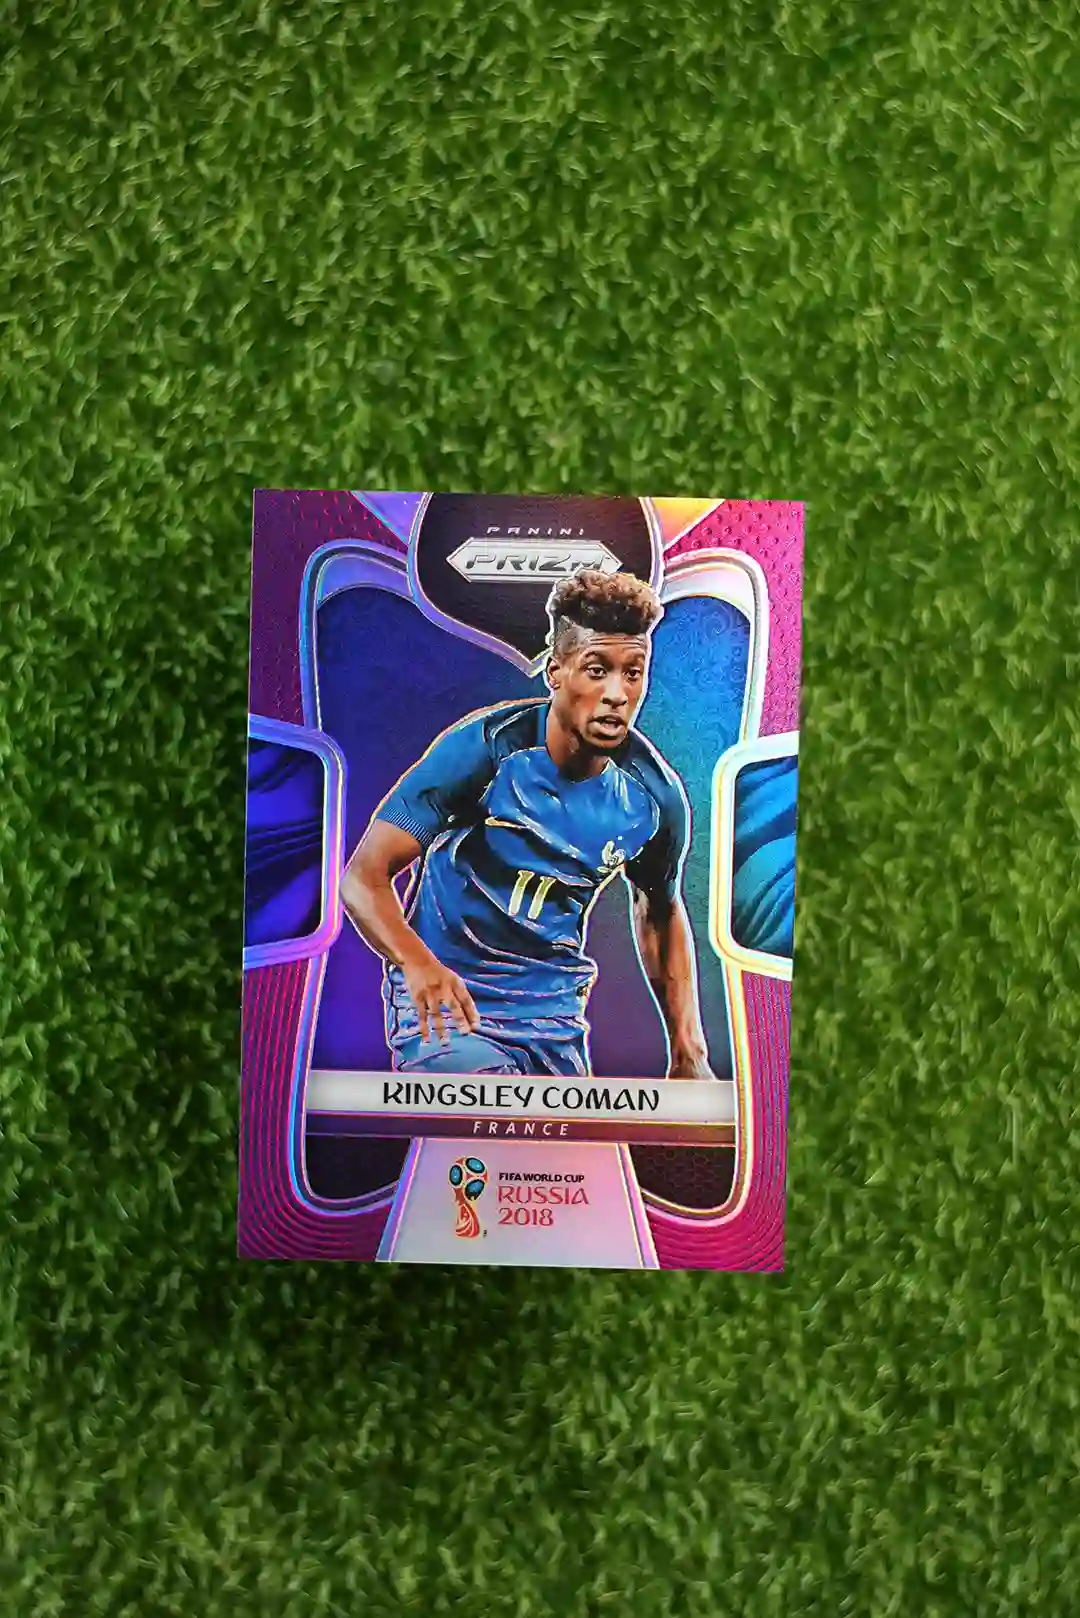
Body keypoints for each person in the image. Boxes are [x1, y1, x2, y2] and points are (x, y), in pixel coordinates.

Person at [340, 569, 715, 1080]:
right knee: (486, 1110)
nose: (617, 693)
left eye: (633, 673)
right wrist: (416, 963)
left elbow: (660, 911)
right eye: (597, 670)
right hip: (450, 1005)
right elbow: (364, 877)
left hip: (553, 1020)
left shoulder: (654, 796)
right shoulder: (487, 749)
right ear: (556, 671)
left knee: (556, 1133)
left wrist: (689, 1053)